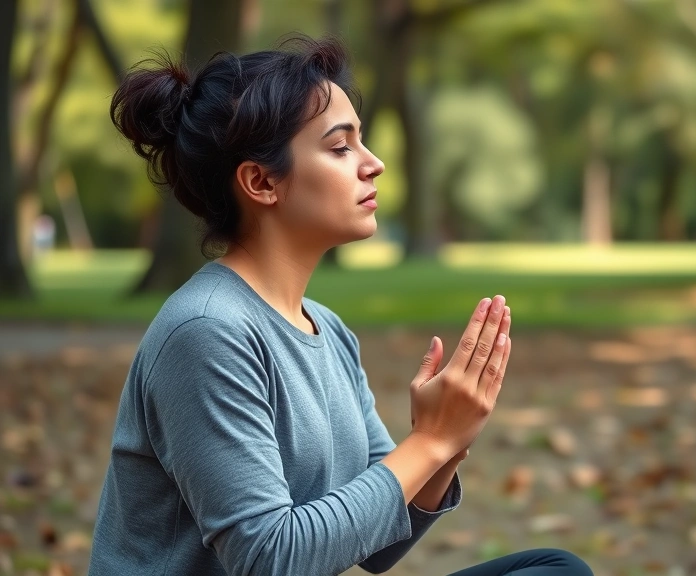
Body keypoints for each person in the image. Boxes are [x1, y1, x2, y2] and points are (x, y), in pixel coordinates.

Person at [88, 37, 592, 576]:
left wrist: (448, 444)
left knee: (554, 568)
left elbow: (377, 550)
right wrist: (429, 441)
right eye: (340, 147)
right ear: (261, 182)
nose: (373, 165)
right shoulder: (207, 331)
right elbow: (268, 560)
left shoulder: (326, 329)